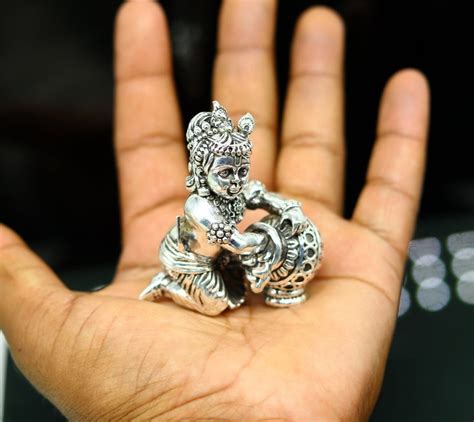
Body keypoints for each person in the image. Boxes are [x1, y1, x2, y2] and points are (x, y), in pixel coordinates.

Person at [0, 0, 430, 420]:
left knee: (245, 278)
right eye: (226, 171)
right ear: (203, 173)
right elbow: (239, 242)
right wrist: (272, 244)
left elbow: (263, 196)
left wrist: (285, 207)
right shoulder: (201, 207)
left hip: (227, 257)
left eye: (240, 168)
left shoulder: (237, 191)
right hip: (194, 263)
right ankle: (168, 288)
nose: (236, 179)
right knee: (218, 302)